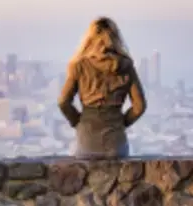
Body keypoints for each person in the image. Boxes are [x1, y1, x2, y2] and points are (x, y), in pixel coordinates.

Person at [58, 16, 146, 158]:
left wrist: (78, 122)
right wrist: (121, 123)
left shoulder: (79, 66)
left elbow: (63, 101)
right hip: (116, 143)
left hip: (87, 141)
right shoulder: (126, 66)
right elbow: (139, 106)